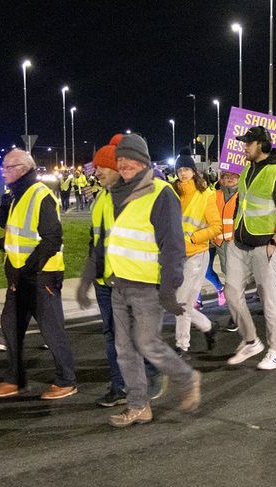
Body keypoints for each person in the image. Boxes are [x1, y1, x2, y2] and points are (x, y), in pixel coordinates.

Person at [76, 133, 200, 427]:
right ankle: (138, 405)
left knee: (147, 344)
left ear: (144, 162)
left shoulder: (160, 193)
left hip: (147, 287)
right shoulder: (111, 196)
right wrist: (85, 280)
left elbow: (173, 246)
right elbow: (101, 244)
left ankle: (187, 377)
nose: (125, 164)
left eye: (132, 159)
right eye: (121, 160)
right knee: (124, 350)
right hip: (118, 285)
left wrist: (169, 290)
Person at [0, 150, 78, 400]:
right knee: (10, 325)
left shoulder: (40, 194)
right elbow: (14, 230)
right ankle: (14, 379)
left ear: (23, 168)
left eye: (7, 167)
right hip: (19, 277)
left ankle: (66, 380)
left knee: (51, 330)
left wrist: (25, 270)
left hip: (41, 275)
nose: (2, 171)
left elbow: (51, 240)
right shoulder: (17, 195)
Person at [223, 126, 276, 370]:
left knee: (268, 298)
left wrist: (275, 241)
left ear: (261, 145)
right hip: (240, 242)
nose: (244, 147)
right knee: (232, 292)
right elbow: (241, 204)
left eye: (248, 143)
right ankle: (251, 340)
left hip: (265, 245)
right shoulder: (247, 170)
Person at [171, 150, 221, 358]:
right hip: (177, 255)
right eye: (179, 170)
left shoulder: (206, 195)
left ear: (194, 171)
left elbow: (216, 227)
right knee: (181, 301)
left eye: (186, 169)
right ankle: (208, 326)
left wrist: (193, 238)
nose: (183, 173)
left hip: (197, 255)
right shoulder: (173, 193)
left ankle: (182, 345)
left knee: (181, 302)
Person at [214, 169, 239, 328]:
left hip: (237, 246)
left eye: (232, 175)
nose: (228, 178)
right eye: (225, 176)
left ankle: (236, 315)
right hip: (219, 245)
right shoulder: (214, 195)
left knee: (234, 282)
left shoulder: (243, 195)